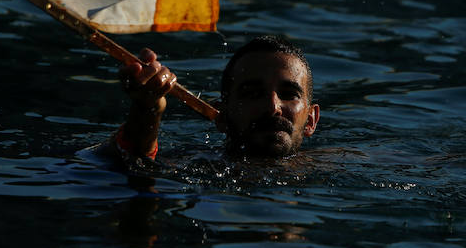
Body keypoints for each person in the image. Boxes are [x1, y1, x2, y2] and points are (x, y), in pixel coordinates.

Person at [110, 36, 320, 161]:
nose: (273, 107)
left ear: (311, 120)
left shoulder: (340, 164)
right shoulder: (190, 166)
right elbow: (136, 160)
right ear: (221, 116)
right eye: (253, 93)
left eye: (289, 94)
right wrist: (148, 109)